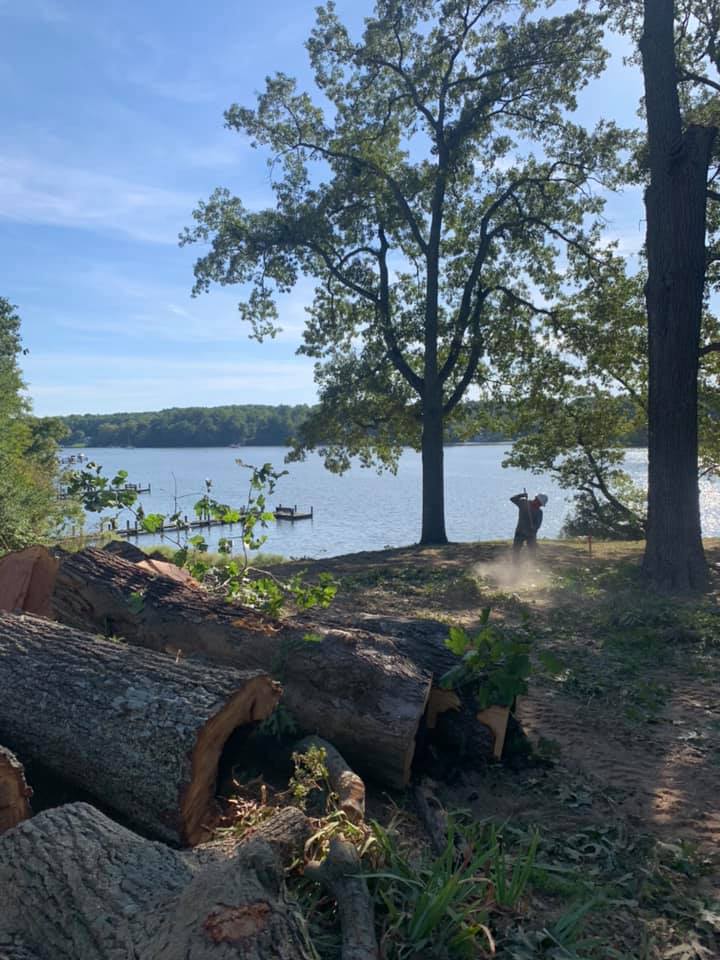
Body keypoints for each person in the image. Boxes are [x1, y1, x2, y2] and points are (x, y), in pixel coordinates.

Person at [510, 491, 548, 561]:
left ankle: (531, 566)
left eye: (541, 505)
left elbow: (538, 525)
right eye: (539, 504)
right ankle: (515, 566)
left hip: (531, 534)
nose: (539, 506)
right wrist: (521, 495)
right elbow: (512, 499)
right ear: (536, 500)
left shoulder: (539, 512)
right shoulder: (524, 503)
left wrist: (534, 528)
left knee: (532, 552)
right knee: (516, 551)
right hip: (520, 531)